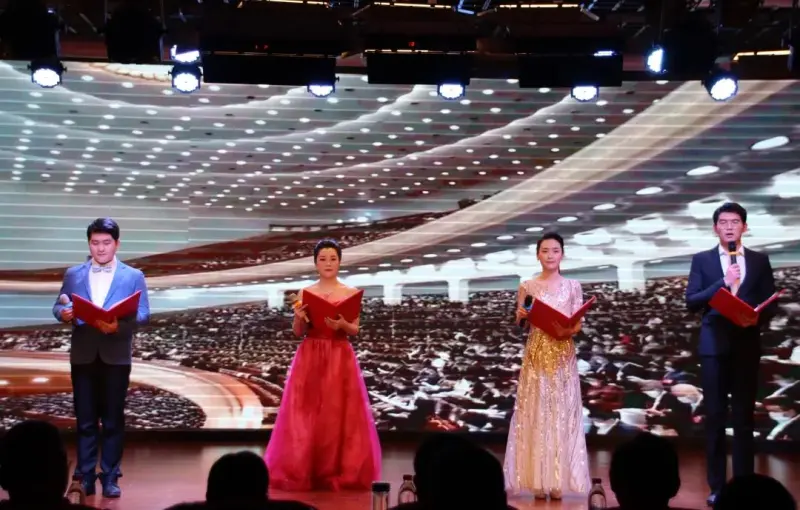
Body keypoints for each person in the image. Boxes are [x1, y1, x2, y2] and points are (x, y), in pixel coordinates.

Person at [264, 238, 381, 491]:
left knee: (338, 409)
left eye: (333, 259)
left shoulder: (351, 293)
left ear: (340, 262)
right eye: (323, 259)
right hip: (311, 353)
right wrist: (298, 317)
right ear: (315, 263)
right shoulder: (305, 293)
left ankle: (336, 468)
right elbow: (298, 332)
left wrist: (342, 325)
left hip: (340, 353)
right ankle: (305, 467)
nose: (328, 263)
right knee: (306, 410)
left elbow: (355, 329)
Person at [685, 202, 778, 507]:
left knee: (743, 419)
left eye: (735, 222)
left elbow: (771, 302)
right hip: (714, 346)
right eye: (723, 222)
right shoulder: (702, 260)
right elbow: (692, 301)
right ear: (715, 228)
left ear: (744, 227)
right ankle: (717, 487)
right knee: (715, 418)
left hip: (746, 345)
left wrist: (756, 317)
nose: (729, 227)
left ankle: (744, 487)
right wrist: (722, 283)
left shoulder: (760, 261)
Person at [52, 218, 151, 499]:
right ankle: (85, 476)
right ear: (89, 244)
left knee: (112, 421)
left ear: (117, 244)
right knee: (85, 420)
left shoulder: (134, 275)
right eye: (95, 243)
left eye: (106, 242)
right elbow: (58, 306)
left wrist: (118, 325)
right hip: (83, 354)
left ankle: (110, 477)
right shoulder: (73, 274)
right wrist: (64, 314)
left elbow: (143, 314)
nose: (101, 248)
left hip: (116, 356)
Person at [504, 232, 591, 499]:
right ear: (537, 255)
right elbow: (521, 324)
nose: (550, 255)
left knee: (561, 412)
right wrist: (522, 316)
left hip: (563, 353)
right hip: (537, 352)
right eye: (545, 251)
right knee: (537, 410)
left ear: (562, 254)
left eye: (555, 250)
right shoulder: (527, 286)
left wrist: (567, 330)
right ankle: (537, 480)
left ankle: (557, 480)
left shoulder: (573, 286)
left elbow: (577, 324)